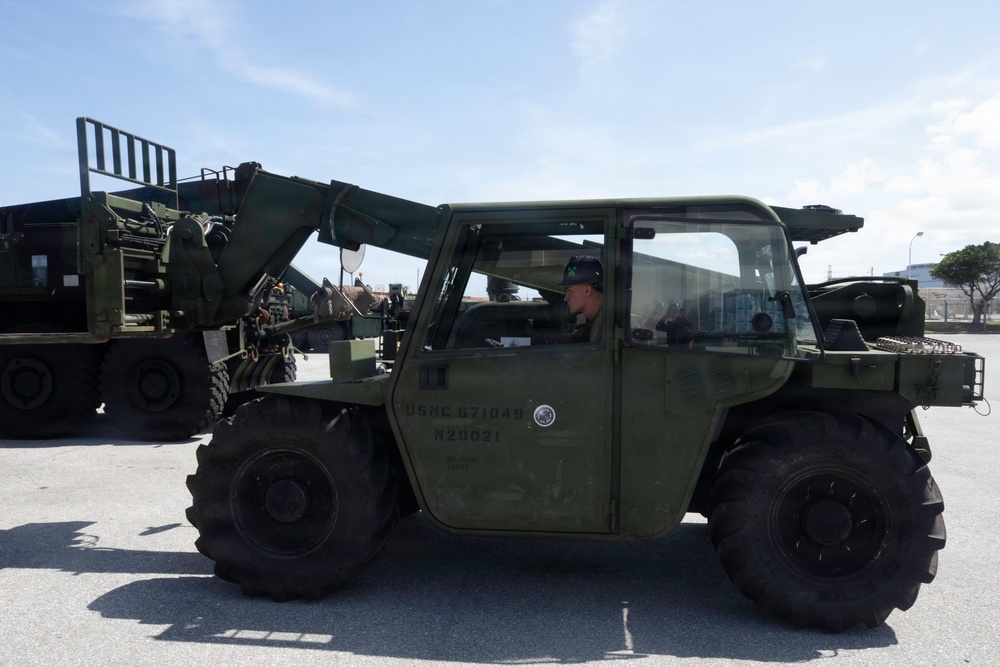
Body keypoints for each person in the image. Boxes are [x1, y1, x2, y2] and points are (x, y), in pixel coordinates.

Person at [559, 255, 604, 342]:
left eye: (569, 290)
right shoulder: (600, 320)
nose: (566, 298)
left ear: (587, 290)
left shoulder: (602, 325)